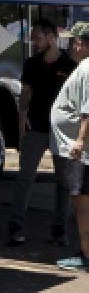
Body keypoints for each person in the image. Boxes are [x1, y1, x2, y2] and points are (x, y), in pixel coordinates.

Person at [8, 18, 75, 246]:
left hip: (62, 131)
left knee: (63, 182)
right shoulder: (32, 63)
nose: (34, 41)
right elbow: (26, 92)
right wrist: (21, 116)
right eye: (33, 37)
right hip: (35, 127)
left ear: (51, 37)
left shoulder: (69, 65)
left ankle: (60, 230)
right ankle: (15, 227)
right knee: (25, 178)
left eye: (37, 37)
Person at [48, 21, 89, 272]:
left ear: (81, 43)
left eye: (75, 41)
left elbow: (88, 111)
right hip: (79, 147)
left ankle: (86, 256)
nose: (72, 45)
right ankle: (84, 251)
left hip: (80, 151)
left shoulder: (87, 68)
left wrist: (80, 141)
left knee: (81, 203)